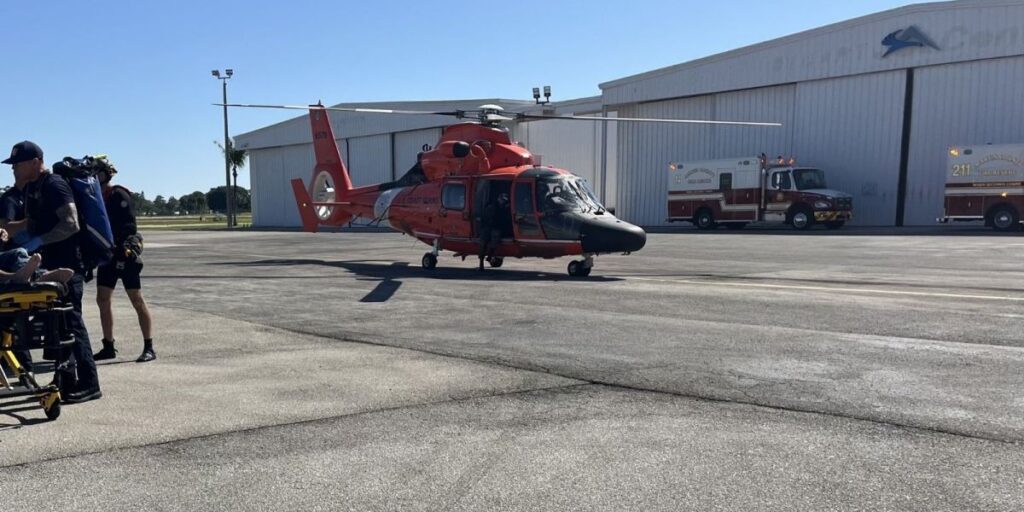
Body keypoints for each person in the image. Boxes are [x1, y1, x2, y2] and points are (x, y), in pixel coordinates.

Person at [3, 140, 101, 404]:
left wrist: (39, 241)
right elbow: (29, 223)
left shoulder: (55, 185)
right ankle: (65, 381)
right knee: (57, 327)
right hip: (47, 266)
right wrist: (7, 231)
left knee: (72, 325)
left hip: (68, 267)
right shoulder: (34, 189)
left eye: (18, 164)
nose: (14, 169)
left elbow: (71, 224)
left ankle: (90, 384)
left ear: (35, 162)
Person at [92, 162, 154, 362]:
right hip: (107, 256)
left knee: (137, 299)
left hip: (123, 254)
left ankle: (149, 347)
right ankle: (108, 345)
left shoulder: (118, 194)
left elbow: (129, 226)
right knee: (102, 299)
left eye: (96, 173)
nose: (93, 177)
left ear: (104, 175)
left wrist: (124, 248)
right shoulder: (95, 198)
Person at [477, 192, 509, 271]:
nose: (503, 202)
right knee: (483, 243)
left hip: (495, 228)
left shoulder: (503, 208)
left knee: (494, 242)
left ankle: (490, 256)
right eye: (502, 200)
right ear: (499, 199)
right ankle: (481, 263)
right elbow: (485, 217)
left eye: (504, 201)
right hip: (488, 227)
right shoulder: (492, 207)